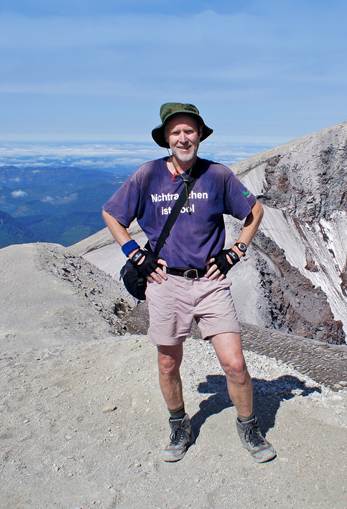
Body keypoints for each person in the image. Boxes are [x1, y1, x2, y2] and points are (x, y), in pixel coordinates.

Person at [102, 102, 275, 463]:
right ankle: (179, 424)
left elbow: (254, 210)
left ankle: (249, 426)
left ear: (199, 135)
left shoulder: (217, 175)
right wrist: (135, 253)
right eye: (176, 132)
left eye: (189, 131)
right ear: (166, 138)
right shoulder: (147, 175)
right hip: (166, 283)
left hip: (210, 283)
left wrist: (236, 251)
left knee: (235, 363)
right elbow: (111, 213)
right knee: (168, 363)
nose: (183, 138)